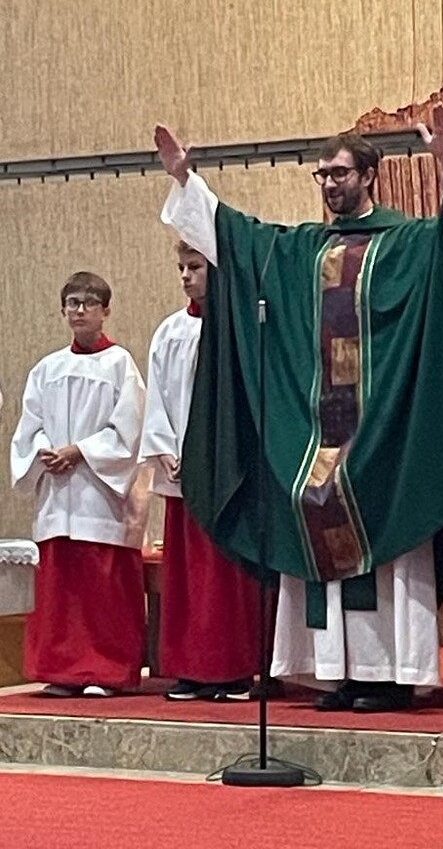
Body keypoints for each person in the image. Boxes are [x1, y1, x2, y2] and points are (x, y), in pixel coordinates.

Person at [154, 106, 443, 713]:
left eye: (340, 173)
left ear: (370, 175)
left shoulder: (404, 243)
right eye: (322, 174)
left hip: (384, 434)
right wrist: (185, 180)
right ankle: (337, 674)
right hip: (318, 432)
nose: (330, 184)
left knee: (382, 532)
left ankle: (388, 675)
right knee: (314, 502)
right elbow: (235, 237)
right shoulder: (301, 250)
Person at [11, 272, 147, 697]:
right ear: (62, 310)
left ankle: (106, 671)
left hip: (99, 494)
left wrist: (80, 451)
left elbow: (129, 430)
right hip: (57, 494)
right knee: (62, 591)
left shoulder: (120, 365)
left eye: (89, 303)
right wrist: (45, 452)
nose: (80, 310)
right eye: (72, 303)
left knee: (101, 589)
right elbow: (29, 427)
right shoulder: (47, 369)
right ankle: (63, 671)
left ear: (106, 311)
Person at [140, 242, 260, 700]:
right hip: (184, 473)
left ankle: (233, 670)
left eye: (195, 267)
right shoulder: (170, 332)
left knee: (227, 576)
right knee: (189, 577)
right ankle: (191, 668)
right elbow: (158, 398)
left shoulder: (241, 327)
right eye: (181, 268)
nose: (186, 276)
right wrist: (165, 449)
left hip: (230, 474)